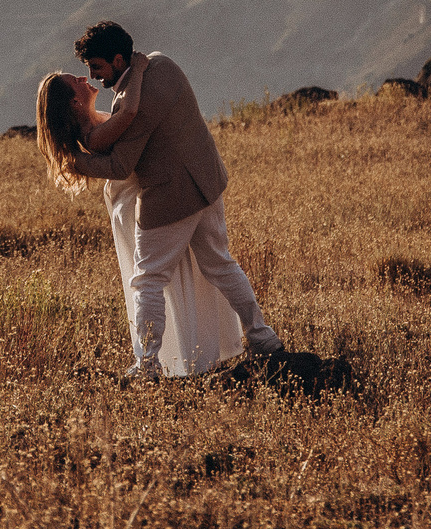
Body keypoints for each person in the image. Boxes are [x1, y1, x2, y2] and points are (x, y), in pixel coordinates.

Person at [33, 20, 282, 380]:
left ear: (119, 60)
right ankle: (263, 338)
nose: (91, 77)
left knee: (146, 280)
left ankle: (147, 364)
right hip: (207, 183)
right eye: (84, 75)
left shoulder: (130, 104)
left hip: (169, 197)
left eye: (96, 68)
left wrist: (75, 161)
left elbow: (121, 164)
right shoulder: (162, 65)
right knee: (220, 265)